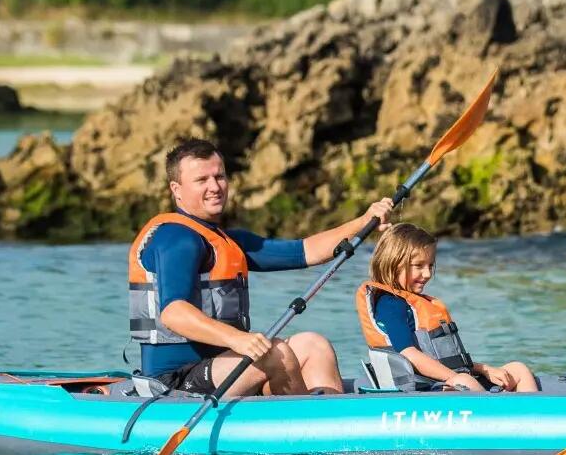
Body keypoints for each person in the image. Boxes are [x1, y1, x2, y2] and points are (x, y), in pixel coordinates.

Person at [129, 138, 392, 397]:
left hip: (227, 367)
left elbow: (307, 251)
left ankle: (331, 423)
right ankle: (301, 427)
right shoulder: (176, 239)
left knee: (314, 345)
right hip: (176, 380)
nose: (215, 186)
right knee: (274, 353)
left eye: (219, 176)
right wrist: (237, 339)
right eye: (202, 180)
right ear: (176, 189)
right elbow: (174, 313)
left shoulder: (227, 240)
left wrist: (363, 221)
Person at [353, 223, 539, 392]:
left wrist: (483, 368)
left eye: (430, 265)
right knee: (466, 382)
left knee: (518, 369)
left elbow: (450, 359)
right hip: (424, 389)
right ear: (392, 263)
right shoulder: (389, 305)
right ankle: (498, 420)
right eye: (418, 266)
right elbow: (410, 354)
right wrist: (453, 378)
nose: (427, 274)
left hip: (452, 380)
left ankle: (532, 421)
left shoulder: (415, 304)